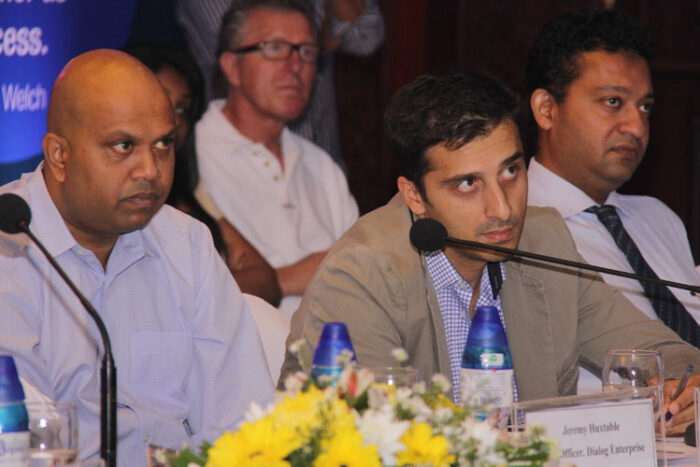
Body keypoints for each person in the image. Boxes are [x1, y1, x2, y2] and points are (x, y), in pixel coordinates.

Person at [280, 69, 700, 436]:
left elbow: (665, 353)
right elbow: (370, 439)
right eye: (468, 184)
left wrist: (685, 391)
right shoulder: (361, 276)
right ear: (414, 195)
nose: (502, 209)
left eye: (510, 171)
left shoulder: (543, 240)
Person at [0, 49, 274, 465]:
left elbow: (243, 422)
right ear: (59, 156)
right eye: (123, 146)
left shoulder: (187, 244)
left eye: (163, 144)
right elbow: (21, 440)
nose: (150, 169)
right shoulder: (10, 246)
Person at [525, 9, 700, 399]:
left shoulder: (658, 218)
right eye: (612, 102)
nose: (636, 126)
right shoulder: (511, 227)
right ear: (546, 110)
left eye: (645, 107)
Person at [195, 0, 359, 318]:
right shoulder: (190, 157)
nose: (295, 65)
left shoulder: (322, 167)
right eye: (274, 48)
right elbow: (184, 295)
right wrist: (294, 277)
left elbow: (361, 278)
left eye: (307, 52)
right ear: (231, 66)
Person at [123, 44, 282, 305]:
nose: (174, 121)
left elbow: (265, 281)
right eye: (162, 102)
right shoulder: (112, 193)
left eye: (182, 109)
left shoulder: (190, 193)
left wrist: (195, 293)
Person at [176, 0, 384, 166]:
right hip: (238, 158)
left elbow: (366, 38)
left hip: (320, 154)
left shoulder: (327, 175)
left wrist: (317, 41)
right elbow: (241, 51)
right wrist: (315, 43)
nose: (295, 63)